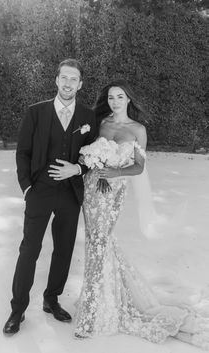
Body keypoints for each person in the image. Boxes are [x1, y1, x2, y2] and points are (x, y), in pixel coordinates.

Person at [74, 79, 209, 350]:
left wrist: (114, 173)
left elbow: (138, 167)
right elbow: (83, 154)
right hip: (92, 190)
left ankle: (90, 314)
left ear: (129, 100)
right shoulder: (100, 123)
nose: (114, 102)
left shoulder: (138, 130)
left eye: (120, 97)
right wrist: (87, 160)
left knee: (102, 241)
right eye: (111, 97)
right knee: (97, 244)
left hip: (114, 192)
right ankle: (99, 300)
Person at [3, 59, 97, 335]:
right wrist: (27, 187)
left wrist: (77, 169)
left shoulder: (87, 117)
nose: (68, 84)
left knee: (64, 250)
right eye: (64, 78)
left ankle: (51, 299)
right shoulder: (36, 112)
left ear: (80, 84)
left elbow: (94, 154)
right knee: (29, 250)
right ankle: (17, 309)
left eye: (74, 79)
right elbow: (23, 152)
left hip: (70, 194)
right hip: (40, 191)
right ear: (56, 80)